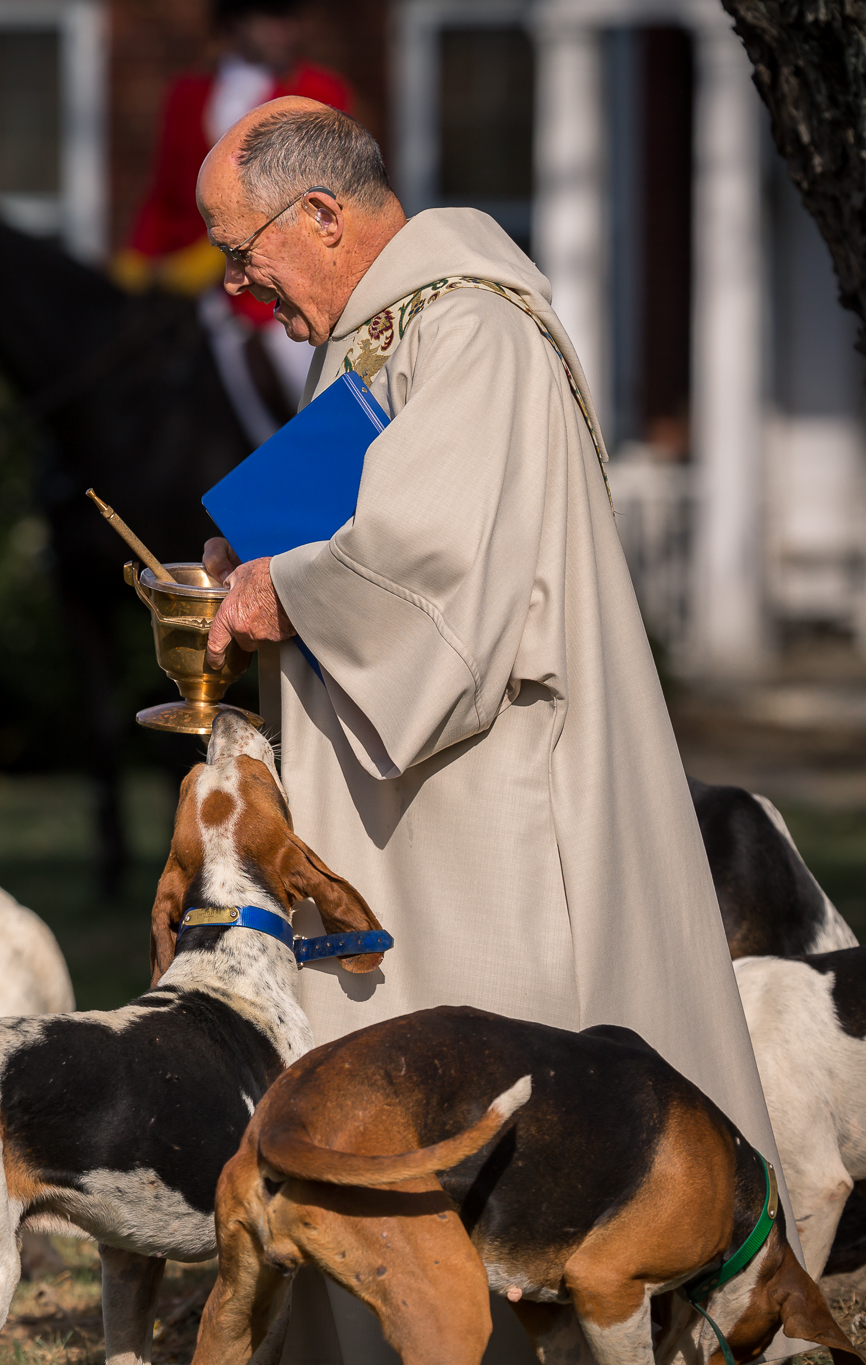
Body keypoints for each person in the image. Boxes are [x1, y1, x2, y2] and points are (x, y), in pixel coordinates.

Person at [194, 97, 784, 1363]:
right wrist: (253, 550)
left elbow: (436, 562)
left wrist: (283, 589)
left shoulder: (468, 328)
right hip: (419, 780)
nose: (241, 287)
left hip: (488, 791)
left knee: (491, 1056)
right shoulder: (381, 334)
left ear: (322, 215)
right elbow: (355, 512)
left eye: (241, 251)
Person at [116, 0, 349, 441]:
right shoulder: (185, 95)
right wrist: (134, 261)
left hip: (280, 294)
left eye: (291, 19)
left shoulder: (319, 91)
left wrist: (225, 254)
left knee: (308, 383)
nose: (287, 30)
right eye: (273, 17)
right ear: (234, 23)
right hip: (195, 298)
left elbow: (320, 198)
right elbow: (163, 196)